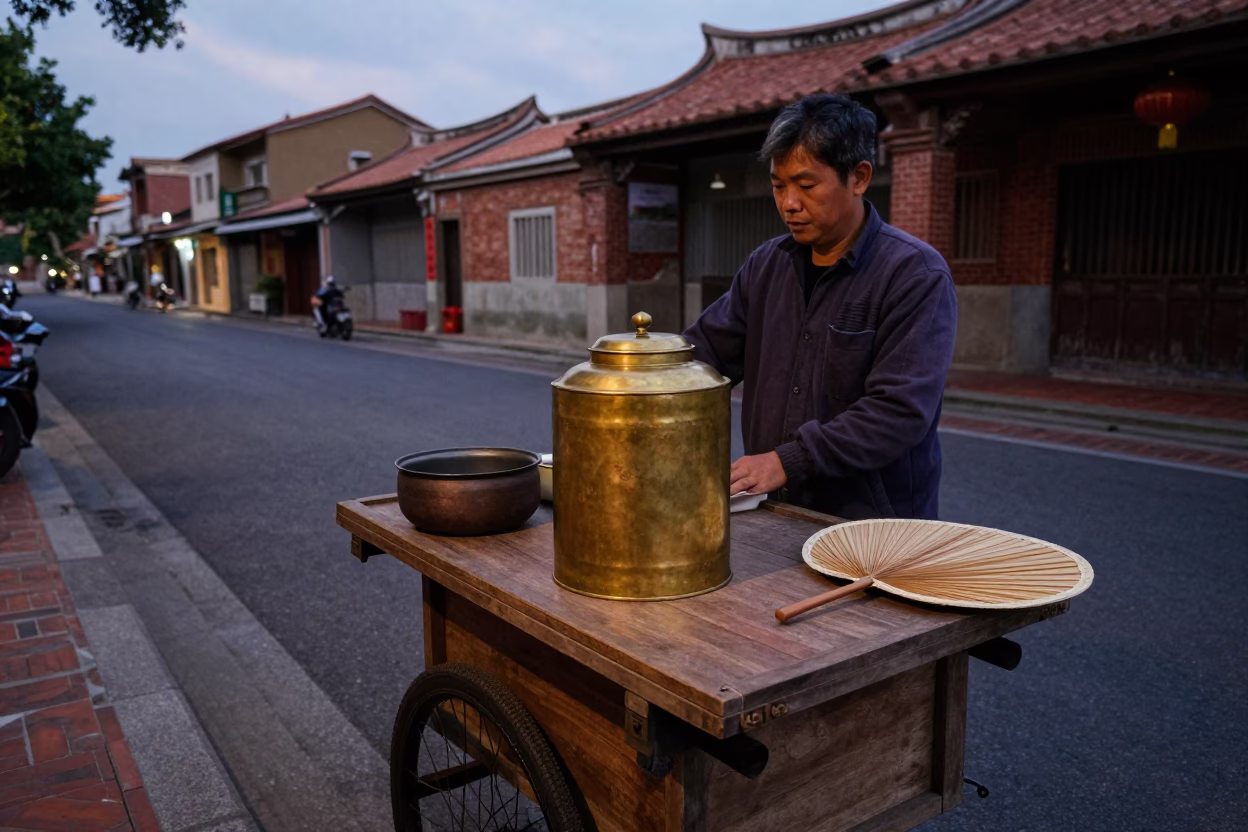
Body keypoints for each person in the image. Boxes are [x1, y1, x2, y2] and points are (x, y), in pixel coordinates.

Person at [683, 94, 957, 521]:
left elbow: (899, 411)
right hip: (775, 511)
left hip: (870, 523)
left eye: (806, 185)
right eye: (778, 185)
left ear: (859, 177)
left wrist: (786, 460)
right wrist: (642, 375)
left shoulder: (914, 274)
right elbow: (704, 354)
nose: (789, 203)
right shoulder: (766, 265)